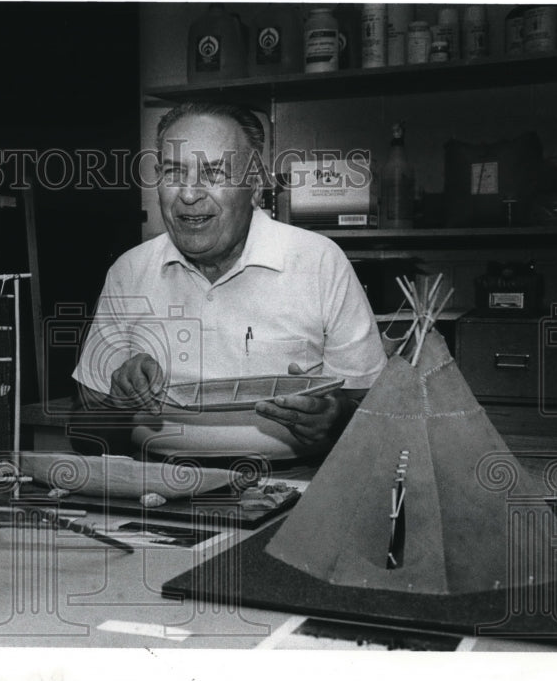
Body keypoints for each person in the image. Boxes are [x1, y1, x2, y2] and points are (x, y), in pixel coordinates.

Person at [71, 102, 386, 457]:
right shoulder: (130, 272)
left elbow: (381, 418)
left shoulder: (319, 262)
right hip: (157, 487)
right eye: (174, 174)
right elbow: (84, 435)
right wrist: (118, 401)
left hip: (294, 489)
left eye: (215, 175)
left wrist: (336, 417)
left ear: (254, 186)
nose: (189, 195)